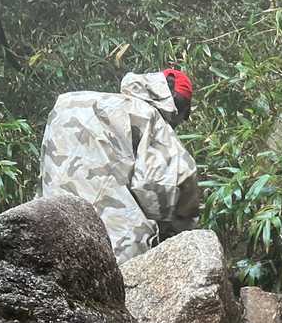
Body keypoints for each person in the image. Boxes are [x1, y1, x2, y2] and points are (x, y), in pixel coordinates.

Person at [38, 68, 200, 264]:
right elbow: (165, 183)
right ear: (178, 107)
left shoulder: (69, 101)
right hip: (115, 242)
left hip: (53, 231)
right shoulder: (147, 115)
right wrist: (182, 228)